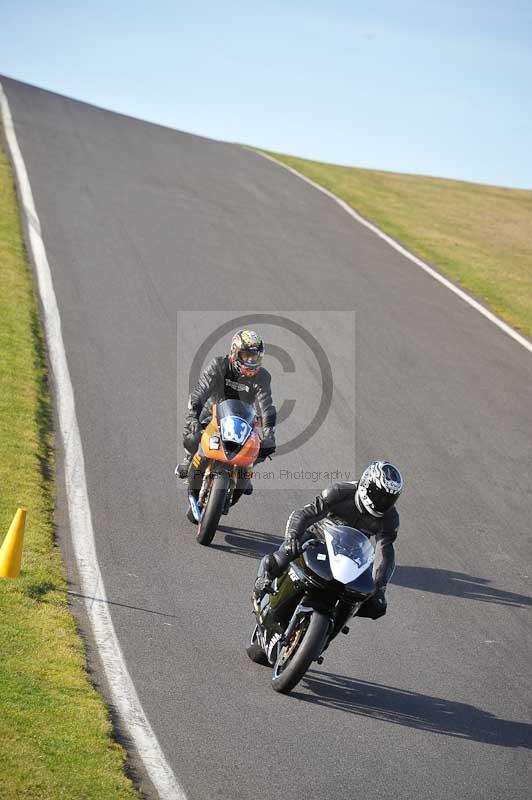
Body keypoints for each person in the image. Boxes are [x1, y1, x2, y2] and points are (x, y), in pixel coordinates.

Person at [254, 461, 403, 619]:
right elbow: (304, 514)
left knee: (376, 606)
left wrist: (379, 587)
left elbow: (384, 552)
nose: (383, 502)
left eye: (389, 498)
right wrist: (292, 536)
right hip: (318, 538)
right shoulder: (340, 492)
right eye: (379, 494)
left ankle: (334, 623)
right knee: (281, 558)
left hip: (351, 554)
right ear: (367, 483)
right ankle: (262, 582)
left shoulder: (390, 518)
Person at [176, 330, 276, 499]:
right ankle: (190, 458)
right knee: (192, 437)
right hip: (212, 414)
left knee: (264, 446)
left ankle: (246, 469)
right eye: (246, 356)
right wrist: (193, 415)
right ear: (234, 352)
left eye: (255, 357)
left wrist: (269, 433)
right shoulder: (218, 365)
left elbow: (266, 406)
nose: (251, 361)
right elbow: (200, 391)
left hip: (243, 419)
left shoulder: (262, 377)